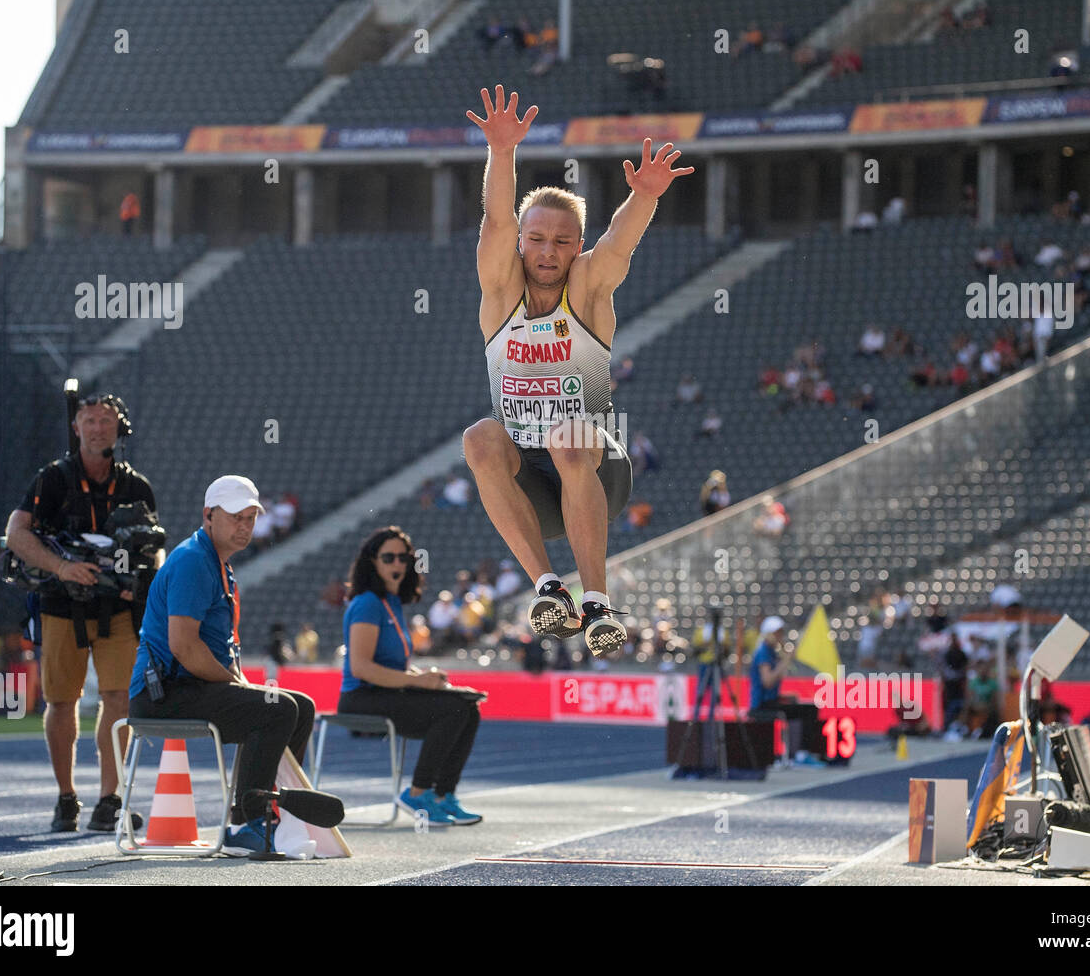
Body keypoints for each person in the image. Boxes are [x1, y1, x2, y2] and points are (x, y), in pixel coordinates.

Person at [461, 84, 693, 658]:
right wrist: (502, 151)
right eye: (535, 239)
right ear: (521, 243)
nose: (547, 251)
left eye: (561, 242)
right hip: (533, 483)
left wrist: (644, 198)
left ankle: (597, 602)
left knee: (567, 440)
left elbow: (619, 244)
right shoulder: (499, 293)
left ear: (575, 247)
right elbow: (494, 220)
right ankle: (547, 589)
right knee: (480, 438)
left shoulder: (587, 291)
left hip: (594, 467)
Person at [128, 476, 320, 855]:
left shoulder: (219, 565)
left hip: (191, 687)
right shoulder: (192, 560)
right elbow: (183, 647)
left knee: (300, 706)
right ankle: (249, 822)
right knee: (276, 708)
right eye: (236, 517)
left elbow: (219, 652)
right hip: (163, 693)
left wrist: (241, 685)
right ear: (208, 515)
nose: (245, 526)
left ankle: (268, 812)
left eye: (250, 518)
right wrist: (239, 686)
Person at [4, 392, 160, 833]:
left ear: (119, 428)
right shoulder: (53, 479)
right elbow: (15, 533)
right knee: (61, 701)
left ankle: (109, 799)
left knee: (119, 699)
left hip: (119, 609)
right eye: (89, 420)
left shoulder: (137, 487)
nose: (97, 428)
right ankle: (66, 797)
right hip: (60, 605)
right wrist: (63, 567)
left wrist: (142, 586)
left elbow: (155, 547)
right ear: (76, 428)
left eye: (106, 421)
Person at [337, 526, 483, 826]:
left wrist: (425, 676)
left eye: (403, 558)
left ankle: (443, 796)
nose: (397, 565)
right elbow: (361, 668)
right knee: (453, 710)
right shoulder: (367, 603)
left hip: (385, 692)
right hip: (361, 698)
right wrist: (418, 681)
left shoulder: (390, 602)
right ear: (372, 562)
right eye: (388, 557)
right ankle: (417, 794)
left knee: (468, 706)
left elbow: (395, 666)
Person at [747, 616, 795, 714]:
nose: (780, 636)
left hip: (767, 703)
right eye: (777, 633)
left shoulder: (771, 652)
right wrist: (785, 661)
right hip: (761, 706)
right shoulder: (763, 652)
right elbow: (767, 682)